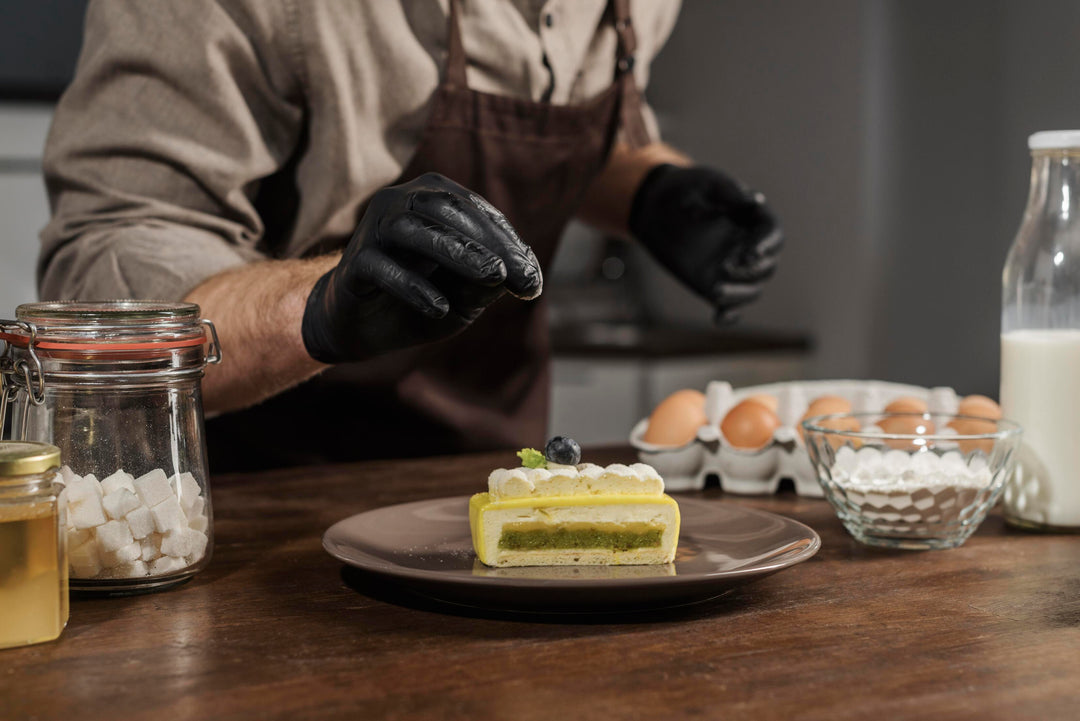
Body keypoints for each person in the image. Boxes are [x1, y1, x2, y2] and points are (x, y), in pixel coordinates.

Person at [39, 0, 782, 471]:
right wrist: (318, 306)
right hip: (256, 502)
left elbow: (566, 138)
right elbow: (111, 260)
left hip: (485, 480)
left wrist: (647, 191)